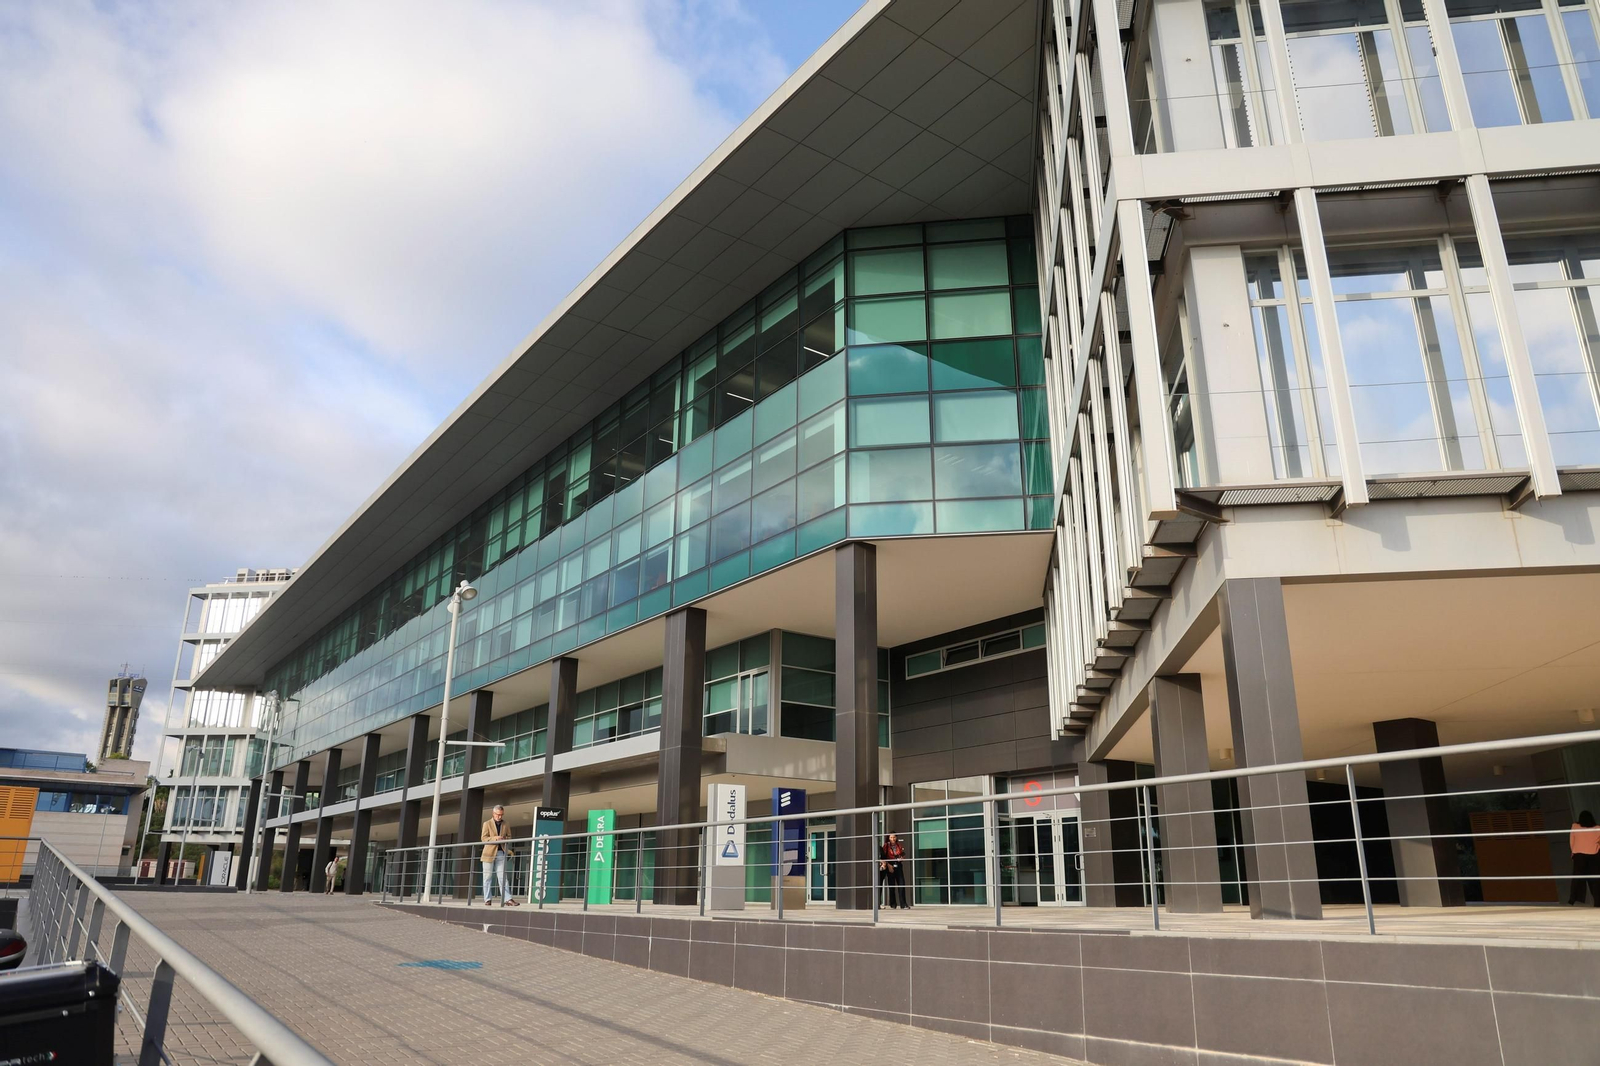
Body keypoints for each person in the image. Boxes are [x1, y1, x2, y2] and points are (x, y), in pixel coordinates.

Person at [481, 804, 518, 907]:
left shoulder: (506, 824)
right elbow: (484, 839)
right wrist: (495, 838)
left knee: (503, 877)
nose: (500, 817)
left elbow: (510, 837)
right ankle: (487, 899)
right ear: (493, 814)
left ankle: (508, 899)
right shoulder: (487, 824)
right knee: (487, 877)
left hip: (501, 852)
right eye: (498, 815)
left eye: (501, 815)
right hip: (488, 853)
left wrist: (505, 840)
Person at [1569, 811, 1600, 905]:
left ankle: (1572, 900)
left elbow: (1572, 841)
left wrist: (1573, 852)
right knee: (1595, 880)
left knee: (1577, 878)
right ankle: (1598, 902)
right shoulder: (1598, 828)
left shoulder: (1575, 826)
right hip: (1594, 856)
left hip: (1579, 856)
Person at [879, 832, 908, 909]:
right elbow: (884, 857)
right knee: (891, 885)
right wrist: (888, 865)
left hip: (898, 864)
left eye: (894, 837)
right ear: (888, 838)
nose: (893, 839)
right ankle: (893, 904)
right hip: (890, 865)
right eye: (891, 837)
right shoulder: (886, 846)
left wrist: (901, 858)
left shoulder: (899, 845)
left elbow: (902, 854)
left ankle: (903, 904)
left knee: (901, 883)